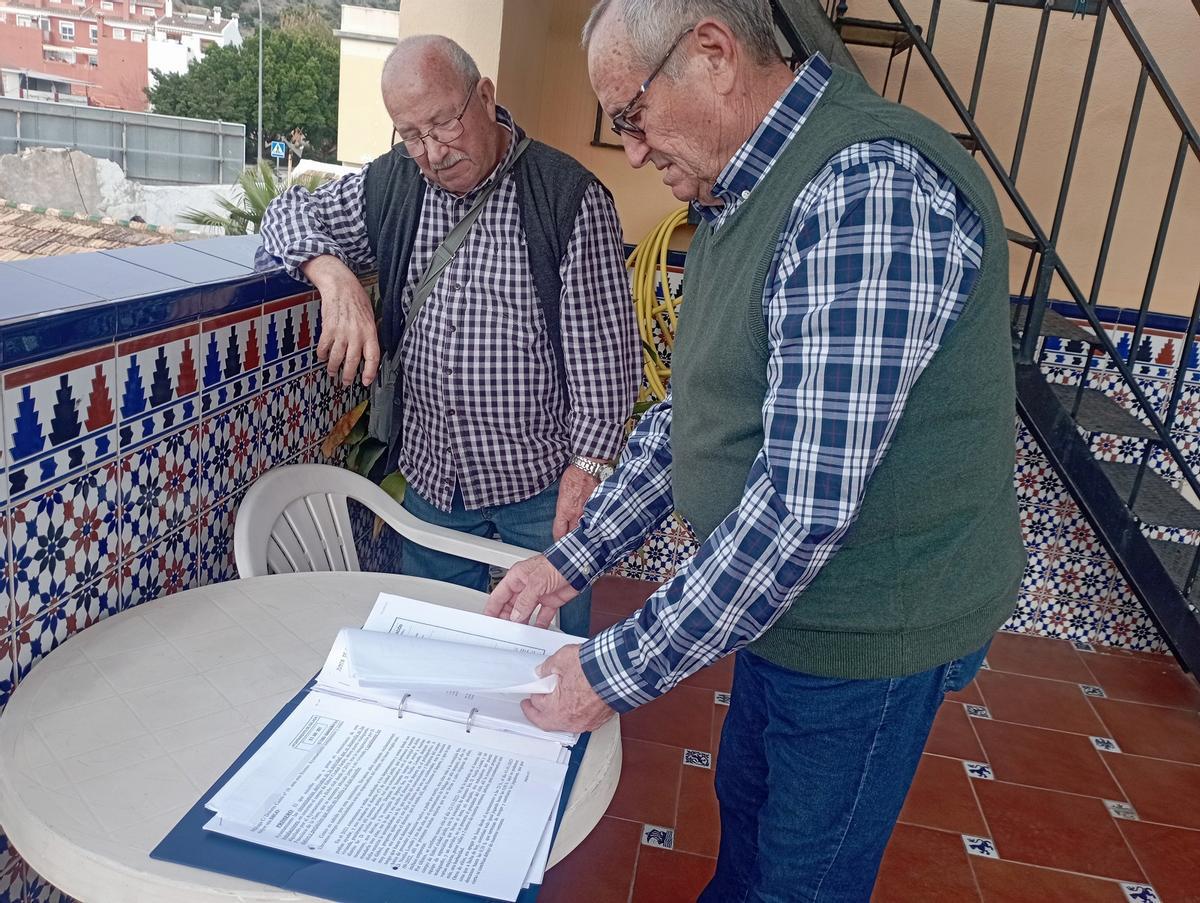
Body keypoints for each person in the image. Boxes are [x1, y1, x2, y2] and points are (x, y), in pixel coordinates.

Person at [486, 1, 1026, 898]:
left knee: (802, 878)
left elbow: (798, 508)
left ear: (712, 54)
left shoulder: (866, 188)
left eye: (631, 114)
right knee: (747, 810)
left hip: (872, 625)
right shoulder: (741, 190)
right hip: (784, 612)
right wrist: (567, 563)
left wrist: (610, 673)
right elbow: (692, 417)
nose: (631, 149)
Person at [260, 36, 639, 637]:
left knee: (548, 651)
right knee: (437, 646)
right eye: (410, 134)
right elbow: (284, 213)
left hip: (539, 483)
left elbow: (605, 359)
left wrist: (586, 470)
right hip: (434, 482)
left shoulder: (568, 198)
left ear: (484, 97)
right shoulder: (392, 184)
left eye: (444, 123)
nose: (432, 152)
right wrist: (332, 276)